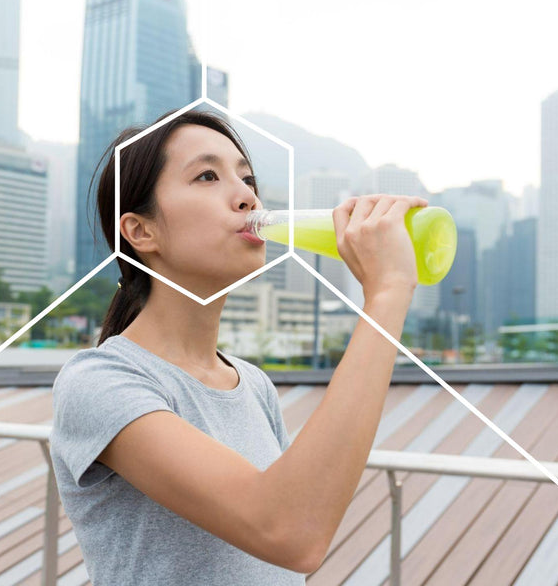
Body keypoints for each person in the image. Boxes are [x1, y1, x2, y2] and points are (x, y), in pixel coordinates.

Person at [49, 109, 427, 585]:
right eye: (207, 175)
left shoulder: (252, 384)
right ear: (141, 232)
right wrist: (388, 293)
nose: (247, 195)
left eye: (247, 178)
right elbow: (292, 530)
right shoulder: (100, 384)